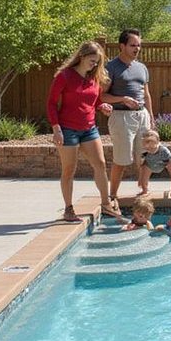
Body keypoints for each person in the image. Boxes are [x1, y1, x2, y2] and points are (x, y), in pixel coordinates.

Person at [47, 41, 123, 223]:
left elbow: (94, 102)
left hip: (89, 129)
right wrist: (56, 129)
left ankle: (106, 204)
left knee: (100, 164)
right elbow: (51, 103)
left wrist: (102, 106)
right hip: (67, 129)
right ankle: (68, 209)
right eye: (92, 60)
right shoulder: (64, 76)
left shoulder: (94, 79)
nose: (94, 64)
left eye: (97, 62)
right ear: (81, 56)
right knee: (69, 170)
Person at [101, 29, 154, 212]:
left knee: (144, 157)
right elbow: (103, 96)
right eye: (133, 45)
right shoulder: (111, 67)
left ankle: (144, 192)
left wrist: (152, 120)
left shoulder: (142, 67)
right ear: (122, 46)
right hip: (121, 118)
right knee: (122, 160)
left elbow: (146, 95)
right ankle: (112, 197)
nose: (137, 48)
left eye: (139, 45)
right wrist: (122, 99)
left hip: (142, 116)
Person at [137, 129, 171, 197]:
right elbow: (141, 165)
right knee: (144, 178)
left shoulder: (164, 151)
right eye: (148, 148)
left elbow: (170, 161)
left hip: (163, 162)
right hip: (150, 164)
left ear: (158, 143)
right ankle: (145, 190)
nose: (150, 150)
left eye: (153, 148)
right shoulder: (144, 152)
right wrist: (140, 178)